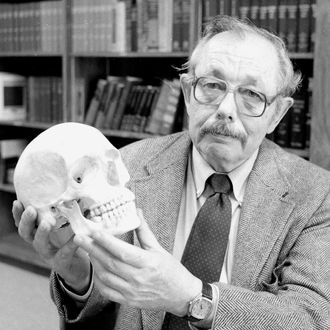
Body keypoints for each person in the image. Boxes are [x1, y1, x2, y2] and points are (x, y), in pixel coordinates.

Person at [13, 15, 330, 330]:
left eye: (252, 94)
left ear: (277, 114)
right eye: (211, 85)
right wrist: (78, 275)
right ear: (188, 92)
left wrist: (193, 297)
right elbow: (102, 302)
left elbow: (310, 317)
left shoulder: (317, 195)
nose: (226, 109)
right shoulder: (125, 166)